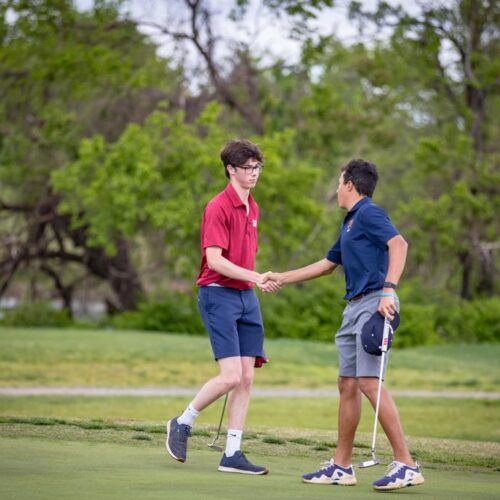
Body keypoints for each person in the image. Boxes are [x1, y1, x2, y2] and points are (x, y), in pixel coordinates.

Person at [269, 159, 424, 491]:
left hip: (374, 303)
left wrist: (389, 289)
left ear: (351, 185)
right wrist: (283, 277)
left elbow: (399, 245)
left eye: (339, 183)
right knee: (347, 384)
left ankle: (407, 464)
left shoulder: (369, 213)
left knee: (369, 383)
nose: (336, 189)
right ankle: (341, 466)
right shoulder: (350, 222)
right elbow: (328, 264)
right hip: (353, 307)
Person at [166, 139, 279, 475]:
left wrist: (255, 281)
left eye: (257, 167)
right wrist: (257, 277)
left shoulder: (253, 207)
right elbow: (215, 261)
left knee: (245, 379)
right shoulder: (217, 206)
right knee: (230, 376)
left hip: (246, 296)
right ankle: (183, 421)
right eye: (247, 168)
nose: (254, 173)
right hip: (218, 295)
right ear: (231, 169)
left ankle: (232, 453)